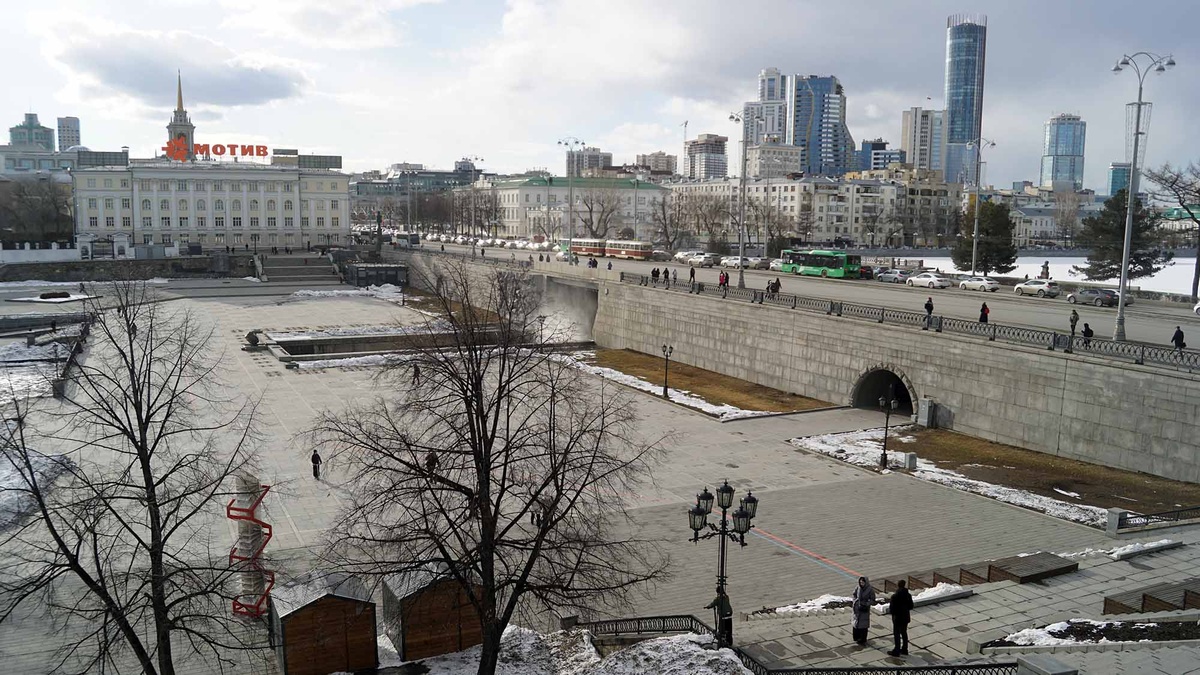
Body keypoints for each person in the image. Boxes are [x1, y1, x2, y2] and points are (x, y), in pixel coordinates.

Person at [887, 579, 914, 656]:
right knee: (904, 633)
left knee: (897, 634)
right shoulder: (908, 595)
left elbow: (892, 609)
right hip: (905, 617)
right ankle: (905, 649)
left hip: (897, 618)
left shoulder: (895, 596)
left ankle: (897, 650)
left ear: (898, 585)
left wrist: (894, 614)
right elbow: (911, 606)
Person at [851, 577, 876, 645]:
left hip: (864, 609)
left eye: (863, 582)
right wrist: (855, 601)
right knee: (856, 623)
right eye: (860, 582)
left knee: (863, 625)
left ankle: (862, 639)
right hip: (857, 608)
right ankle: (856, 637)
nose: (861, 584)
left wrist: (866, 604)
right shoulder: (858, 587)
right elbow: (854, 594)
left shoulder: (870, 590)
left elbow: (873, 600)